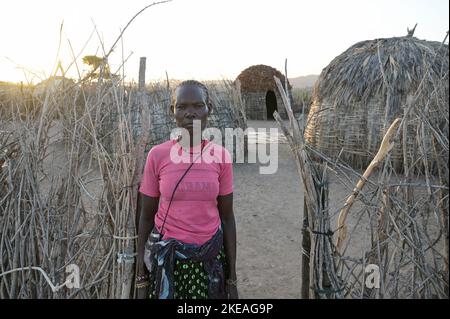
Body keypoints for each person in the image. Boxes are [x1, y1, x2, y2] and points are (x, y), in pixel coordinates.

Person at [135, 80, 238, 299]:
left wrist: (232, 278)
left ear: (209, 108)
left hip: (209, 263)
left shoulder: (221, 157)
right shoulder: (157, 155)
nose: (190, 113)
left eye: (198, 106)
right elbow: (146, 216)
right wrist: (141, 275)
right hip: (168, 264)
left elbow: (227, 217)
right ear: (172, 111)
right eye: (181, 107)